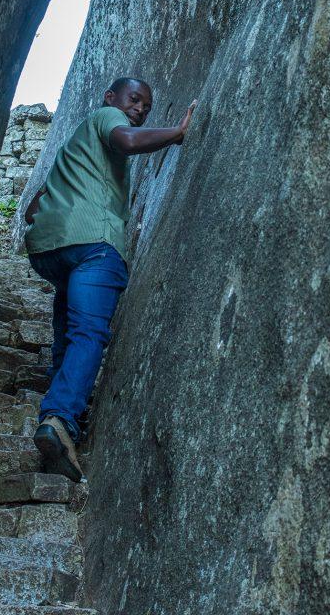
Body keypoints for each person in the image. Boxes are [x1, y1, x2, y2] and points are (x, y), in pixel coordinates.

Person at [24, 77, 197, 482]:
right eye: (135, 100)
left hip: (52, 251)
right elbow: (128, 141)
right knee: (89, 333)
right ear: (111, 98)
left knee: (68, 330)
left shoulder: (73, 151)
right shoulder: (107, 117)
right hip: (94, 245)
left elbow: (34, 207)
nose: (139, 110)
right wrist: (176, 133)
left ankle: (61, 402)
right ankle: (60, 419)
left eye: (145, 107)